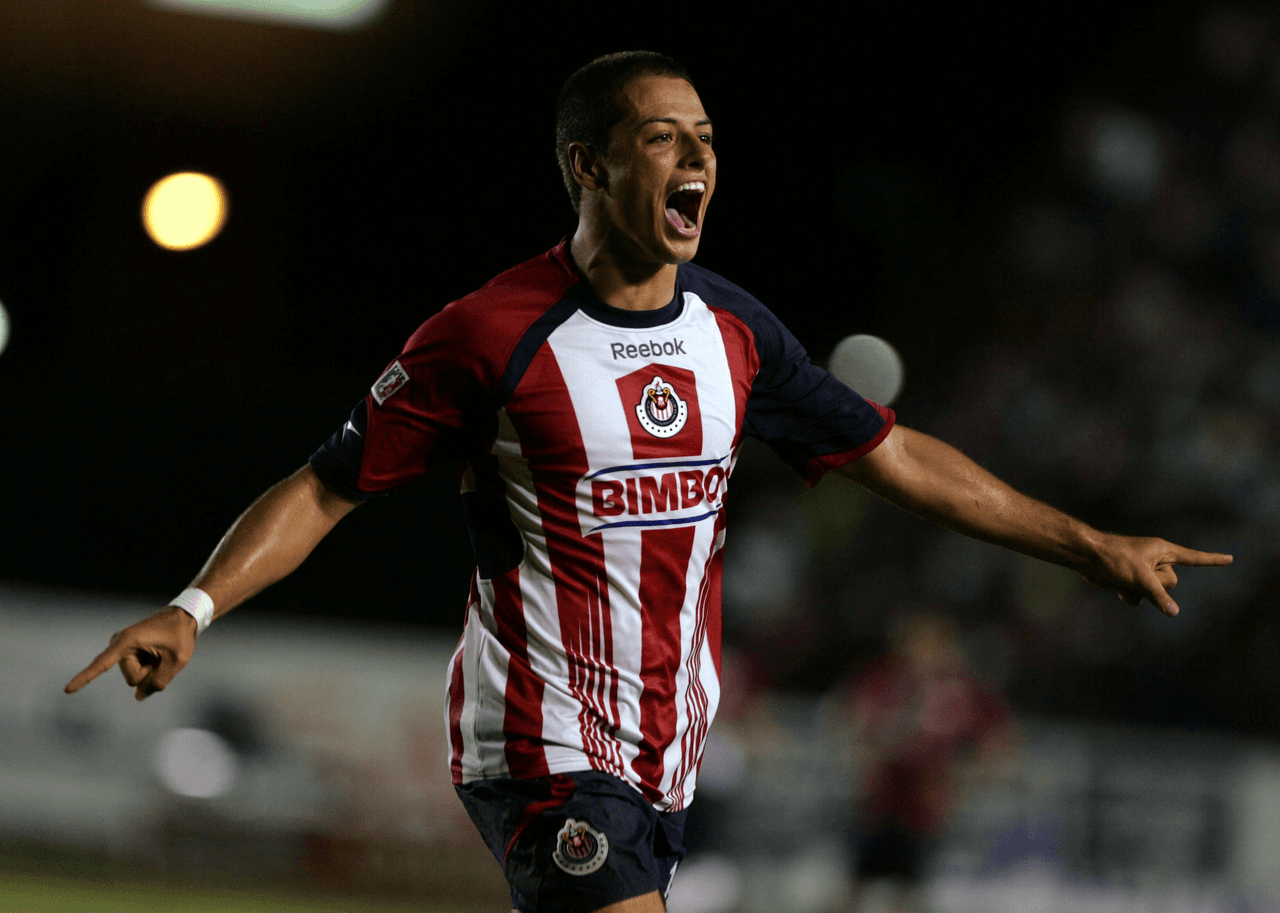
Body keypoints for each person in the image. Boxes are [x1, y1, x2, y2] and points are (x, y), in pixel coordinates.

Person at [64, 51, 1232, 913]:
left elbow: (892, 452)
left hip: (668, 750)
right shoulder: (488, 336)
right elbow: (327, 484)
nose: (697, 158)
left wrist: (1089, 544)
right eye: (665, 136)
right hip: (542, 743)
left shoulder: (732, 330)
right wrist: (194, 605)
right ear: (589, 165)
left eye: (707, 137)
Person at [843, 613, 1016, 913]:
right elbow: (853, 721)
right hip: (881, 799)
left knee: (911, 890)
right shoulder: (886, 681)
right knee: (856, 883)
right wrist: (865, 757)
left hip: (925, 805)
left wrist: (969, 779)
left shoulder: (962, 691)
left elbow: (999, 737)